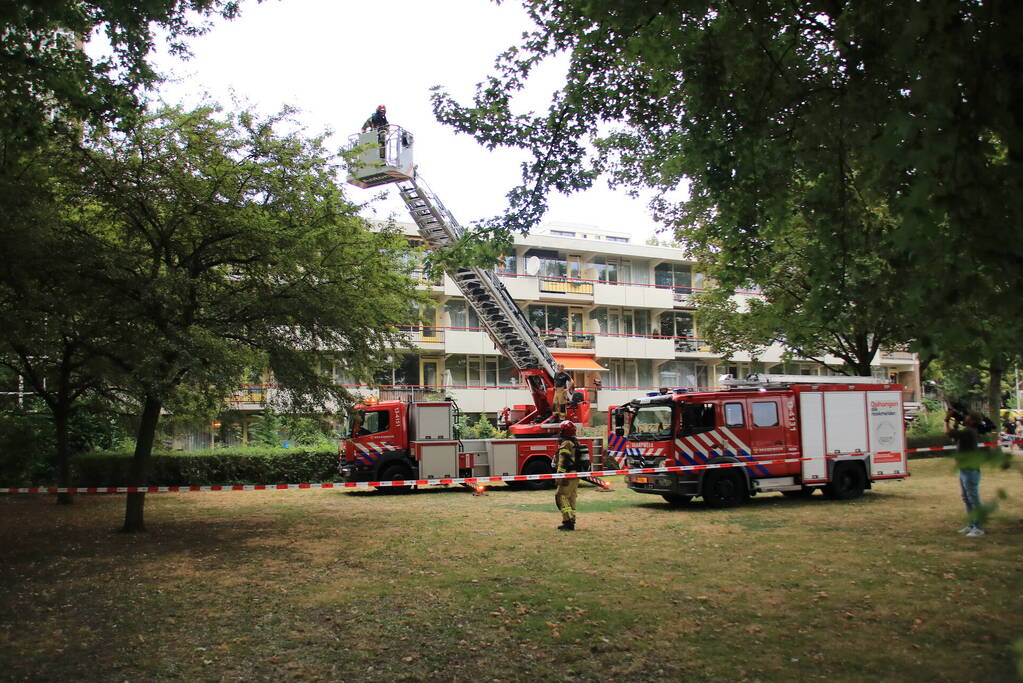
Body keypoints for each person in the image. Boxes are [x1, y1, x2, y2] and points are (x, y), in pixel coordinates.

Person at [945, 409, 985, 537]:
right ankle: (971, 525)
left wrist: (947, 419)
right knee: (967, 498)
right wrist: (956, 422)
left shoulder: (969, 432)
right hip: (964, 469)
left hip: (970, 469)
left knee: (973, 499)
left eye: (967, 416)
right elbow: (956, 436)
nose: (965, 417)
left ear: (972, 420)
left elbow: (949, 433)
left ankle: (978, 528)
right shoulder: (968, 431)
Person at [554, 420, 581, 531]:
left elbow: (563, 460)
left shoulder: (566, 443)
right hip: (575, 474)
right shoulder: (575, 442)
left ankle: (568, 520)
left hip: (567, 474)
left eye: (561, 430)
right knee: (571, 497)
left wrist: (560, 476)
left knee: (560, 496)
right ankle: (571, 520)